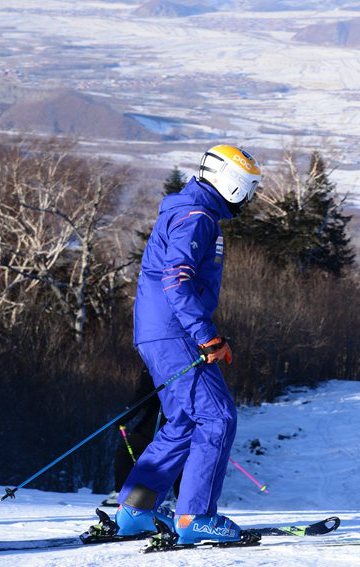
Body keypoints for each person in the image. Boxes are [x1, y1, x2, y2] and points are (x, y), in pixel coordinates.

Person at [114, 145, 262, 545]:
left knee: (182, 423)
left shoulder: (189, 212)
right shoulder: (196, 218)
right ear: (230, 183)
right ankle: (194, 517)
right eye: (249, 188)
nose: (250, 198)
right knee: (217, 418)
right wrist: (207, 335)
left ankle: (135, 510)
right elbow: (177, 280)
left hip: (159, 333)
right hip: (177, 332)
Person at [103, 368, 181, 507]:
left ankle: (123, 493)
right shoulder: (175, 360)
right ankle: (182, 499)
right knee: (178, 454)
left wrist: (124, 417)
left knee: (127, 451)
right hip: (180, 418)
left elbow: (143, 396)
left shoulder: (153, 365)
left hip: (161, 419)